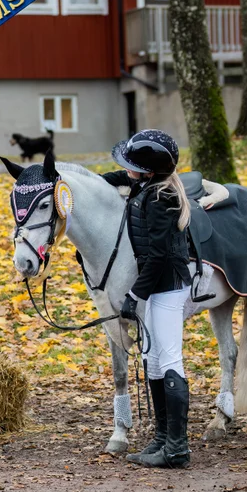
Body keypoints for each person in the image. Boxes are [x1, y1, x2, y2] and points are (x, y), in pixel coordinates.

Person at [101, 129, 194, 469]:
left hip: (167, 288)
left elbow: (156, 257)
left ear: (148, 171)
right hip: (156, 288)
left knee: (169, 360)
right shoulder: (147, 187)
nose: (126, 169)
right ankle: (161, 438)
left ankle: (177, 448)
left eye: (132, 164)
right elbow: (117, 177)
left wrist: (133, 296)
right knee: (152, 360)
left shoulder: (160, 200)